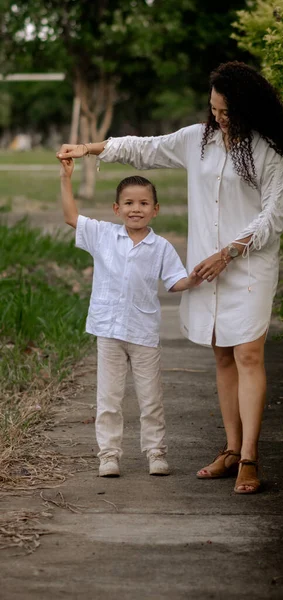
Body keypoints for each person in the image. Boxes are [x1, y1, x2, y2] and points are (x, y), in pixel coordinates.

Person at [57, 61, 283, 494]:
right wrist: (88, 148)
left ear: (247, 109)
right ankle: (230, 448)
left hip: (248, 264)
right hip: (208, 266)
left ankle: (249, 458)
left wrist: (232, 251)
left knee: (248, 354)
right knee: (222, 352)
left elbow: (273, 216)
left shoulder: (268, 153)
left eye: (226, 112)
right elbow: (143, 148)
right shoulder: (196, 142)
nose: (218, 119)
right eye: (214, 110)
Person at [58, 157, 201, 478]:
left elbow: (175, 281)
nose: (136, 208)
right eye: (129, 203)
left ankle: (156, 453)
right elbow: (70, 216)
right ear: (116, 208)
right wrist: (65, 178)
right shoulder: (103, 235)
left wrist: (195, 279)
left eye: (143, 203)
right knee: (108, 399)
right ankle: (109, 455)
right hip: (108, 331)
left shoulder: (161, 246)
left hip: (144, 333)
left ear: (156, 209)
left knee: (151, 399)